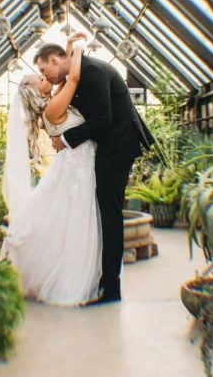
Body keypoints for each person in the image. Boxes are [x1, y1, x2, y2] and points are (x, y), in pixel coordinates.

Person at [34, 40, 154, 304]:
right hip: (109, 148)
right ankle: (103, 279)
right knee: (105, 213)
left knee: (110, 214)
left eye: (45, 70)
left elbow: (102, 119)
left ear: (54, 60)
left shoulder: (92, 72)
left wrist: (64, 140)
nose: (47, 77)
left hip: (118, 147)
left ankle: (111, 288)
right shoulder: (79, 72)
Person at [2, 33, 102, 306]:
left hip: (75, 165)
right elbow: (72, 78)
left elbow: (63, 72)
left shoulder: (53, 101)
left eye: (43, 72)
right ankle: (69, 280)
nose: (43, 76)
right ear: (36, 92)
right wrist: (79, 49)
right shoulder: (53, 108)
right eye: (39, 78)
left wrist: (69, 47)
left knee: (68, 222)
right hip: (78, 167)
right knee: (74, 222)